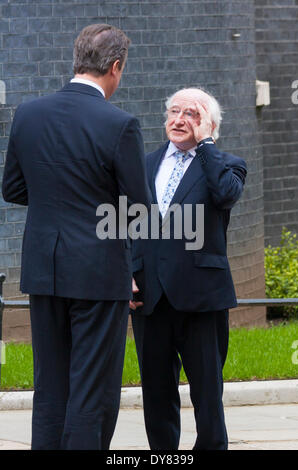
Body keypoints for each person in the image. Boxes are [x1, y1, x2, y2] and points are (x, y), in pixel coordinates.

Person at [2, 23, 151, 450]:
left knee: (50, 387)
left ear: (76, 59)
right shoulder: (120, 124)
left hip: (43, 272)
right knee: (92, 390)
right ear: (116, 67)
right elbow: (138, 209)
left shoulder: (28, 113)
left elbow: (12, 189)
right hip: (98, 274)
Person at [130, 87, 247, 450]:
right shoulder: (143, 164)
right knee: (157, 393)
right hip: (149, 298)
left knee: (207, 393)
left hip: (201, 295)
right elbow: (125, 223)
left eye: (192, 115)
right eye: (174, 112)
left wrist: (206, 144)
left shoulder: (226, 163)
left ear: (209, 125)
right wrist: (127, 273)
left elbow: (226, 195)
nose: (179, 120)